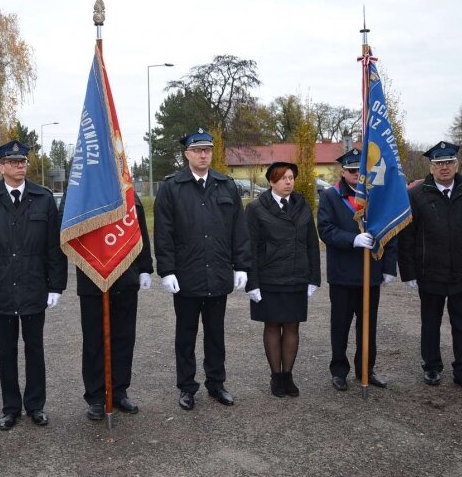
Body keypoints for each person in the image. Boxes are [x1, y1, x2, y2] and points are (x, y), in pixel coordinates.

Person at [0, 140, 67, 430]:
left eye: (22, 161)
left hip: (34, 285)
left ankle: (36, 405)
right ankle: (10, 407)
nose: (19, 166)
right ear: (1, 167)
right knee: (6, 349)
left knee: (35, 347)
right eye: (13, 162)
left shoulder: (43, 197)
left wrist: (55, 286)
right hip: (1, 286)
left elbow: (53, 246)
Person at [154, 128, 251, 411]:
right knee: (185, 334)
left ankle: (216, 383)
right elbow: (164, 233)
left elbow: (238, 229)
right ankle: (186, 387)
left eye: (207, 150)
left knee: (215, 334)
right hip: (185, 275)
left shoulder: (226, 185)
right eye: (197, 150)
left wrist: (241, 265)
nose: (203, 155)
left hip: (218, 271)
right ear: (186, 154)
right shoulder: (172, 187)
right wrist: (167, 269)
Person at [398, 141, 462, 395]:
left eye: (449, 162)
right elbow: (407, 238)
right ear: (431, 167)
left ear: (457, 165)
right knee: (430, 322)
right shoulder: (416, 196)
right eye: (439, 163)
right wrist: (408, 273)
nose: (445, 167)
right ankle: (431, 366)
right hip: (430, 272)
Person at [317, 148, 397, 392]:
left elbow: (390, 231)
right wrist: (352, 239)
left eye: (359, 171)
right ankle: (339, 371)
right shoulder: (331, 196)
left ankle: (366, 369)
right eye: (351, 170)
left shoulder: (376, 196)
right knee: (340, 325)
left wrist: (389, 266)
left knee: (368, 326)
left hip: (369, 273)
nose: (355, 175)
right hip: (342, 273)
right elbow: (325, 229)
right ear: (343, 172)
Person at [73, 194, 153, 421]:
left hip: (126, 276)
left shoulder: (129, 192)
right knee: (93, 341)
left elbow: (140, 232)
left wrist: (145, 267)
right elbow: (67, 226)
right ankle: (96, 397)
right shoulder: (84, 191)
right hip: (92, 276)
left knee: (124, 338)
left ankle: (119, 391)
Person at [245, 162, 320, 398]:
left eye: (291, 177)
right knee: (272, 325)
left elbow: (311, 243)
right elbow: (251, 248)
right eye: (283, 178)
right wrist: (252, 283)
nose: (289, 182)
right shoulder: (256, 208)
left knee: (292, 325)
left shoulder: (302, 205)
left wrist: (314, 278)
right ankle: (275, 377)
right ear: (271, 182)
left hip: (297, 276)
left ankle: (288, 376)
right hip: (269, 278)